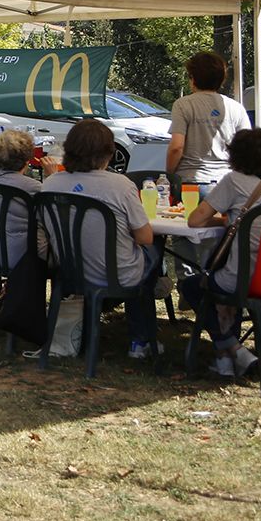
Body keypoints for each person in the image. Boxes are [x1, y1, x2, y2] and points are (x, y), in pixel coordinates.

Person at [41, 118, 162, 360]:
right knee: (154, 251)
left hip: (70, 271)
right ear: (109, 151)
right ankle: (141, 338)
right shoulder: (120, 185)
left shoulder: (51, 183)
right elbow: (145, 236)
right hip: (117, 274)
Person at [186, 128, 261, 377]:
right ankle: (225, 358)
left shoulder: (233, 180)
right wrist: (229, 221)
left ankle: (231, 348)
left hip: (245, 278)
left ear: (235, 155)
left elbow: (195, 220)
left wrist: (223, 221)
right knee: (220, 279)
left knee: (193, 286)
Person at [166, 51, 252, 196]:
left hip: (191, 181)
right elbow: (247, 148)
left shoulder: (183, 105)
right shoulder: (236, 107)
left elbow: (177, 147)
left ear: (193, 78)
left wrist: (169, 174)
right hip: (227, 182)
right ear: (221, 79)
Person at [0, 129, 51, 267]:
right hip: (25, 258)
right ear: (27, 159)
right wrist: (51, 177)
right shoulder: (32, 187)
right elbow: (53, 213)